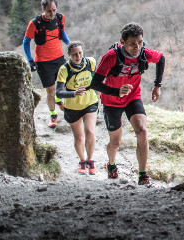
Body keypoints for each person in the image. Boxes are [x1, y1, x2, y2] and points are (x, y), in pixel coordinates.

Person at [89, 23, 165, 185]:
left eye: (139, 43)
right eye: (132, 43)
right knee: (116, 142)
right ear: (122, 42)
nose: (136, 47)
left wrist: (157, 85)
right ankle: (111, 164)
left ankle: (143, 174)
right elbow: (94, 84)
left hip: (132, 97)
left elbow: (161, 58)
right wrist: (116, 92)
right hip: (111, 101)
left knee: (142, 130)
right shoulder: (111, 57)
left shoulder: (144, 53)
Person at [23, 0, 70, 128]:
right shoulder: (35, 23)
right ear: (43, 9)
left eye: (54, 10)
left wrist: (69, 44)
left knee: (65, 84)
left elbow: (62, 32)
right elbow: (26, 42)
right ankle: (53, 114)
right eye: (49, 11)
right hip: (43, 62)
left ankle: (60, 101)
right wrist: (30, 60)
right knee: (51, 90)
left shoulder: (60, 18)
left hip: (59, 58)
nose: (52, 13)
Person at [55, 42, 99, 175]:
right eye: (74, 54)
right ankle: (82, 160)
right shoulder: (64, 69)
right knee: (79, 137)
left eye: (80, 52)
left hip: (90, 101)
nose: (78, 56)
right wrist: (74, 93)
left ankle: (90, 160)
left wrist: (102, 93)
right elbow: (58, 92)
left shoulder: (90, 62)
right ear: (69, 54)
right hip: (72, 105)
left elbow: (97, 79)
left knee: (90, 131)